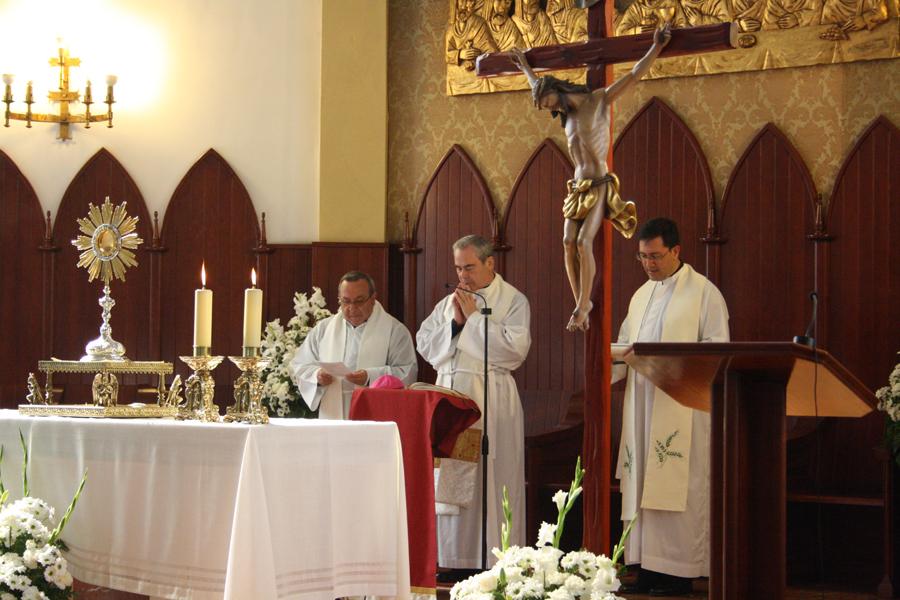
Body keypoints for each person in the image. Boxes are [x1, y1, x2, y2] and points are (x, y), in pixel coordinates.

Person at [511, 25, 671, 332]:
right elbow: (538, 85)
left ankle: (584, 305)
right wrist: (527, 68)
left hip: (599, 184)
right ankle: (580, 302)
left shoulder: (598, 101)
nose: (552, 110)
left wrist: (656, 48)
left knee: (584, 242)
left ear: (556, 91)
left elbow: (634, 75)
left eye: (550, 103)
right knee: (567, 240)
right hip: (577, 186)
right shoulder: (567, 115)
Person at [612, 218, 729, 596]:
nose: (649, 264)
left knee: (679, 487)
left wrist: (673, 363)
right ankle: (646, 566)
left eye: (656, 256)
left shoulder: (704, 293)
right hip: (642, 403)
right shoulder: (640, 295)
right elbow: (626, 342)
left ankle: (678, 571)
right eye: (643, 256)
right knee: (644, 482)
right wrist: (614, 358)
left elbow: (717, 349)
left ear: (677, 251)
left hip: (681, 405)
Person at [416, 234, 531, 571]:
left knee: (488, 479)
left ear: (490, 263)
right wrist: (456, 322)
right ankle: (450, 557)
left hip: (489, 398)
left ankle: (489, 557)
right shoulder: (449, 302)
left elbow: (514, 350)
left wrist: (474, 321)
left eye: (469, 267)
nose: (462, 276)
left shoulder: (512, 300)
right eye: (457, 268)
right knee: (448, 480)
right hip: (450, 398)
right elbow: (425, 342)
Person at [289, 271, 417, 420]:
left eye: (359, 301)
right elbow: (299, 365)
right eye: (346, 301)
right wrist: (316, 376)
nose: (352, 308)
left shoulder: (395, 330)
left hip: (375, 414)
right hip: (332, 415)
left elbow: (407, 372)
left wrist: (370, 377)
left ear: (373, 298)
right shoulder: (324, 329)